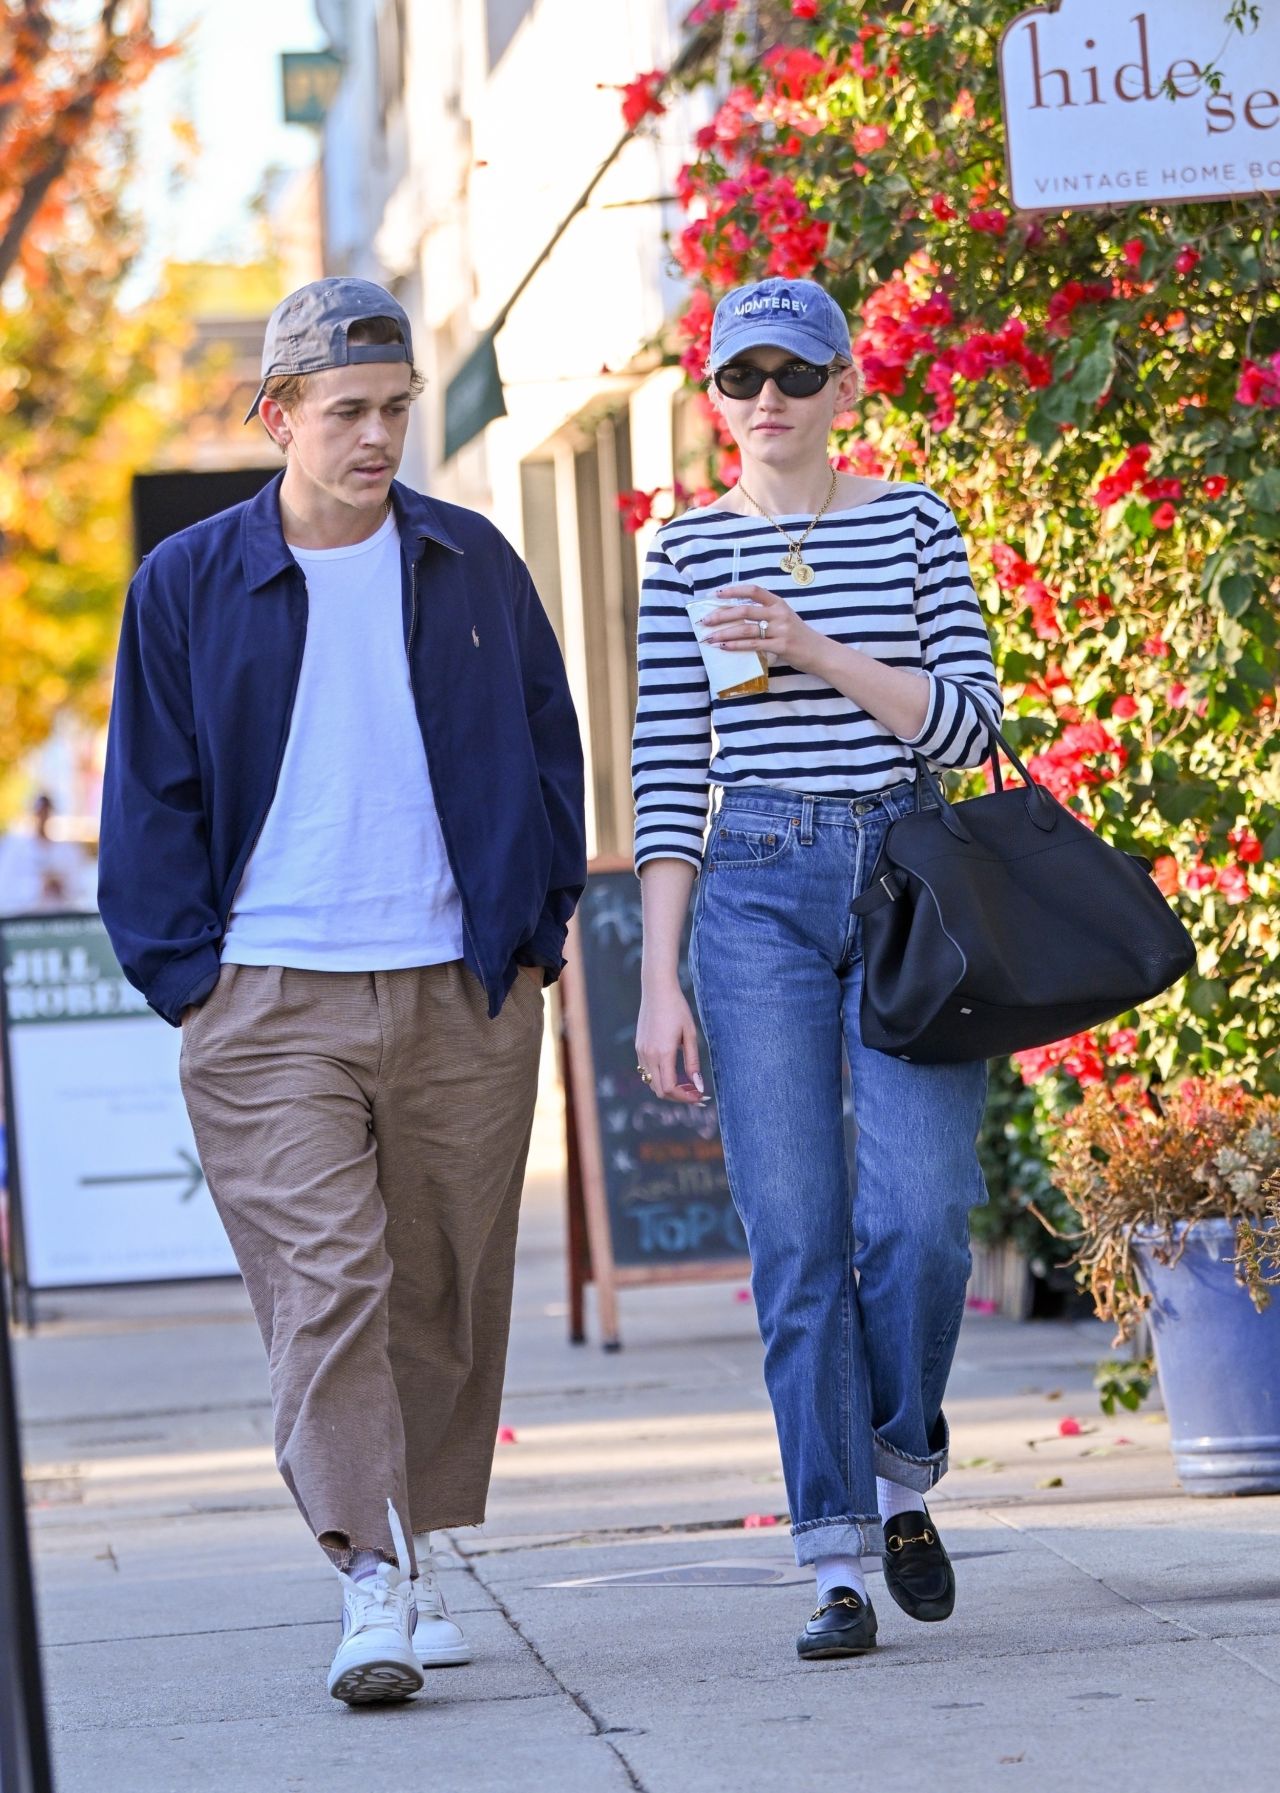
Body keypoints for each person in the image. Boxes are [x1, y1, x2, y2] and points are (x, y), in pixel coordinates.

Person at [98, 277, 586, 1704]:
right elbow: (150, 799)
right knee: (329, 1284)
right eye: (348, 413)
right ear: (279, 415)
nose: (378, 438)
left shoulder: (474, 564)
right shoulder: (187, 584)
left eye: (396, 411)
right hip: (267, 1001)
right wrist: (194, 983)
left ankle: (413, 1541)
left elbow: (549, 751)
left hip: (457, 989)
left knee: (437, 1288)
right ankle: (369, 1578)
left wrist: (536, 936)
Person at [632, 276, 1001, 1660]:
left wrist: (807, 646)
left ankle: (903, 1468)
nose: (769, 398)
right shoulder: (681, 555)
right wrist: (660, 979)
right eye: (742, 379)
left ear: (850, 388)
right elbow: (668, 772)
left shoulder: (914, 521)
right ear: (714, 401)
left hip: (910, 882)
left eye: (797, 373)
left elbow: (968, 728)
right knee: (796, 1241)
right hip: (754, 900)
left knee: (919, 1215)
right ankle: (837, 1555)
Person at [0, 794, 94, 916]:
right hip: (24, 919)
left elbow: (79, 888)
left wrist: (61, 884)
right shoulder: (15, 848)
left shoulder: (67, 850)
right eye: (40, 812)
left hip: (58, 919)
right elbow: (7, 887)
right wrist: (39, 885)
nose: (43, 818)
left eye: (47, 812)